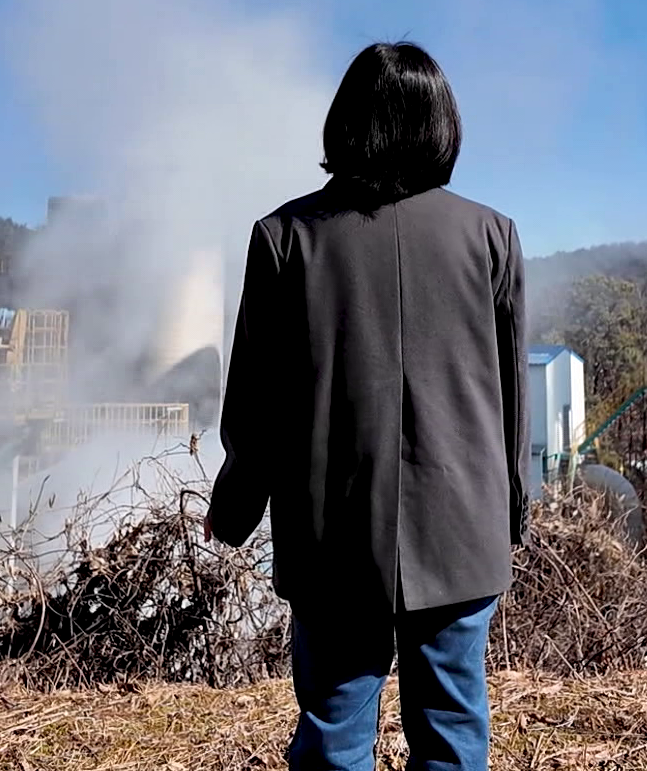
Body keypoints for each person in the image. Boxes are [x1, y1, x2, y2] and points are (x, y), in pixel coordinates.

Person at [205, 41, 528, 771]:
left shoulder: (285, 237)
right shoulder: (493, 235)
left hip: (334, 532)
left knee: (335, 732)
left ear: (346, 122)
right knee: (453, 734)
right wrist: (511, 508)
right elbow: (513, 396)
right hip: (462, 528)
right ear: (442, 126)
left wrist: (234, 508)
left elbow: (257, 403)